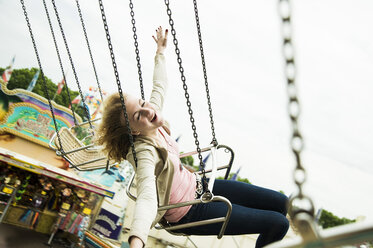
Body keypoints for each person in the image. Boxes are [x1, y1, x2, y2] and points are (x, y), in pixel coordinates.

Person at [97, 26, 289, 248]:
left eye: (142, 103)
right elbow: (147, 195)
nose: (148, 109)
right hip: (190, 212)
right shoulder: (143, 152)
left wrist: (160, 52)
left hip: (201, 186)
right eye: (139, 114)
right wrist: (137, 239)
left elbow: (159, 86)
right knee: (278, 224)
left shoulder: (152, 120)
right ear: (134, 132)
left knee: (281, 203)